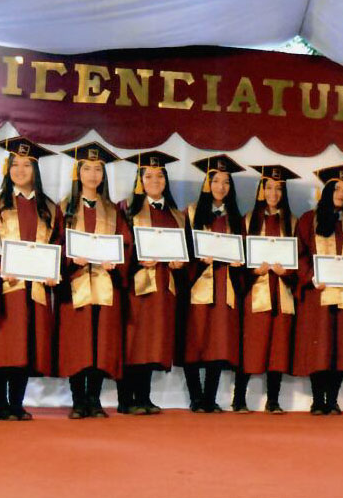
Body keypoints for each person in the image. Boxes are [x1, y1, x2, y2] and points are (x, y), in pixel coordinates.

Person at [0, 137, 62, 421]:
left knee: (26, 344)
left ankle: (16, 403)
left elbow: (58, 245)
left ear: (35, 170)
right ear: (7, 169)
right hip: (3, 285)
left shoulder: (49, 207)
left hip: (35, 288)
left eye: (26, 165)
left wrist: (54, 272)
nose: (20, 170)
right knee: (2, 345)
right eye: (15, 164)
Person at [56, 142, 130, 418]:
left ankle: (94, 399)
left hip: (104, 284)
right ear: (77, 173)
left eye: (98, 169)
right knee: (78, 342)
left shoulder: (112, 210)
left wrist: (116, 262)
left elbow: (126, 244)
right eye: (86, 168)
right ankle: (78, 400)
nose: (92, 174)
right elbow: (53, 243)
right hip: (75, 285)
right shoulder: (63, 208)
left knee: (100, 343)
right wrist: (69, 259)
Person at [292, 164, 343, 414]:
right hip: (318, 292)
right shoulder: (308, 220)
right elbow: (300, 254)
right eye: (337, 189)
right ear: (326, 191)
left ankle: (333, 399)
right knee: (319, 345)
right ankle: (317, 400)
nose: (342, 194)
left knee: (340, 346)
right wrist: (311, 277)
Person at [117, 150, 186, 414]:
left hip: (164, 287)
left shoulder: (177, 215)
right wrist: (136, 260)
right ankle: (126, 400)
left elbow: (185, 253)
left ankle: (144, 397)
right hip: (137, 286)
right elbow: (120, 246)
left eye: (160, 176)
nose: (155, 181)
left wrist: (180, 264)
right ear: (140, 180)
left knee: (152, 342)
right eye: (148, 176)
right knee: (133, 341)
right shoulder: (126, 209)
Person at [232, 164, 299, 414]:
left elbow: (300, 259)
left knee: (278, 346)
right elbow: (238, 257)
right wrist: (253, 271)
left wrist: (287, 272)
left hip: (282, 292)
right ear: (261, 190)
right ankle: (239, 398)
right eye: (268, 187)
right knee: (252, 345)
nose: (273, 193)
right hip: (255, 292)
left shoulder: (292, 222)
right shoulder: (248, 220)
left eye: (278, 189)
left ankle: (273, 400)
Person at [183, 154, 245, 413]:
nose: (221, 186)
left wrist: (240, 262)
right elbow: (183, 251)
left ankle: (210, 398)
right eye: (216, 181)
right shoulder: (191, 213)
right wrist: (198, 261)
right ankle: (195, 397)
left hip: (225, 286)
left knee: (218, 342)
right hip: (199, 284)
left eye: (226, 182)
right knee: (195, 341)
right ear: (207, 184)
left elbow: (244, 252)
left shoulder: (236, 218)